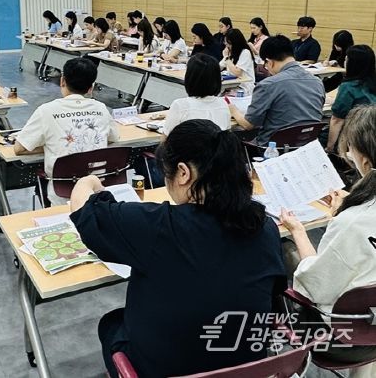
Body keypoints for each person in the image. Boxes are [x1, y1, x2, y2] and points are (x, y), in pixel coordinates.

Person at [70, 119, 285, 377]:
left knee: (112, 325)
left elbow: (84, 212)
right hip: (247, 369)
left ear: (183, 173)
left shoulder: (160, 227)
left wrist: (89, 181)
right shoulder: (265, 227)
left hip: (163, 369)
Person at [281, 105, 376, 374]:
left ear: (364, 162)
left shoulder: (352, 222)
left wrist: (298, 231)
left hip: (346, 340)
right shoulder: (355, 217)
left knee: (288, 252)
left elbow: (313, 286)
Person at [14, 57, 119, 204]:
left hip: (63, 196)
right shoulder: (101, 108)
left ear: (62, 81)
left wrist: (52, 145)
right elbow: (113, 138)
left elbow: (19, 148)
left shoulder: (46, 111)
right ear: (91, 87)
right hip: (97, 192)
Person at [228, 35, 325, 146]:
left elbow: (248, 124)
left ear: (270, 62)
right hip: (308, 147)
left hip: (271, 148)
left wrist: (233, 110)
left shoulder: (268, 84)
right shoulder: (317, 82)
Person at [162, 54, 231, 138]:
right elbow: (226, 137)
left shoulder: (180, 105)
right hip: (215, 147)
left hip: (187, 146)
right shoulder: (223, 104)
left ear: (190, 78)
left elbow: (165, 140)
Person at [325, 45, 376, 153]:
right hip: (371, 136)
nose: (344, 61)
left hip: (355, 138)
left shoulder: (349, 86)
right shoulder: (371, 83)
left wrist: (329, 148)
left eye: (346, 59)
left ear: (353, 64)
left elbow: (337, 120)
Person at [220, 28, 257, 96]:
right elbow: (219, 67)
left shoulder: (245, 52)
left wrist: (227, 58)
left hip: (244, 87)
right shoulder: (231, 52)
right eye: (225, 43)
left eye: (228, 44)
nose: (227, 46)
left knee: (224, 97)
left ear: (235, 43)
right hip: (231, 85)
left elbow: (237, 72)